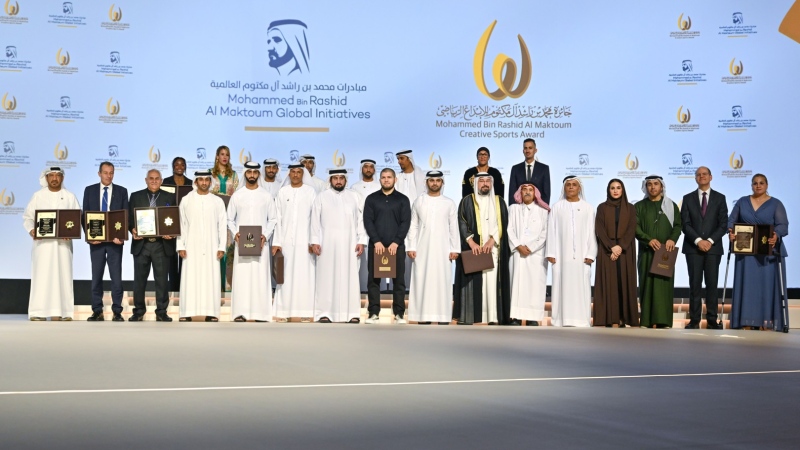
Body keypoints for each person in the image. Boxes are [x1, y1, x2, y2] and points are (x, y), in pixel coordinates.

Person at [727, 174, 789, 331]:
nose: (758, 186)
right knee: (746, 287)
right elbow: (731, 221)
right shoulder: (742, 201)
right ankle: (745, 321)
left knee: (765, 287)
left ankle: (764, 322)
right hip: (745, 253)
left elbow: (783, 225)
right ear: (751, 185)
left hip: (767, 253)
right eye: (755, 183)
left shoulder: (775, 203)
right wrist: (731, 232)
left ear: (767, 185)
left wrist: (776, 235)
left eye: (761, 183)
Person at [309, 169, 367, 323]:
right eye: (335, 178)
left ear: (346, 180)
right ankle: (324, 313)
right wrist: (314, 241)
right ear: (330, 180)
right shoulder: (321, 197)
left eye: (342, 178)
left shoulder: (355, 197)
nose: (339, 181)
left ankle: (352, 314)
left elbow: (360, 221)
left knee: (350, 278)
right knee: (326, 278)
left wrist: (361, 240)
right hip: (327, 245)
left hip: (350, 245)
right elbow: (314, 221)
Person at [23, 167, 81, 321]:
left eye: (58, 175)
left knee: (63, 276)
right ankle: (37, 312)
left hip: (63, 246)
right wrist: (32, 231)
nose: (55, 178)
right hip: (43, 246)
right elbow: (28, 218)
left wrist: (72, 232)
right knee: (41, 277)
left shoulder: (69, 196)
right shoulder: (38, 196)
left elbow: (77, 218)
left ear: (62, 178)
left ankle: (64, 312)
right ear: (46, 178)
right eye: (51, 176)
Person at [453, 174, 511, 325]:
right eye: (482, 181)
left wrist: (492, 240)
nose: (485, 184)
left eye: (487, 181)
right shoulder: (467, 201)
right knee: (475, 283)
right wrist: (471, 242)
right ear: (476, 184)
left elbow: (503, 223)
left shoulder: (499, 202)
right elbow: (462, 222)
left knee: (492, 283)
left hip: (493, 250)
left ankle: (492, 317)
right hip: (475, 250)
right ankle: (474, 316)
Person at [405, 171, 461, 324]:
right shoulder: (418, 202)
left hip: (443, 251)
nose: (435, 183)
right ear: (426, 182)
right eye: (432, 180)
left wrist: (454, 249)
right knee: (422, 281)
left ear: (442, 183)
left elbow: (453, 228)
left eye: (438, 180)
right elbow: (413, 226)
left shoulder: (449, 203)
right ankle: (422, 316)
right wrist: (411, 246)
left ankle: (442, 316)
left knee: (442, 282)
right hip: (421, 250)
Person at [227, 162, 278, 322]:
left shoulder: (266, 196)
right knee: (242, 278)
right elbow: (229, 219)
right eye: (249, 172)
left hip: (261, 245)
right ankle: (240, 313)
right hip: (241, 244)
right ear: (245, 174)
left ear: (258, 175)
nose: (252, 175)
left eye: (255, 172)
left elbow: (273, 219)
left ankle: (260, 314)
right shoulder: (237, 195)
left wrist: (265, 235)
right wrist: (235, 234)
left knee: (260, 277)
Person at [177, 170, 228, 322]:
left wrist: (221, 247)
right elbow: (182, 225)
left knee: (211, 279)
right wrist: (181, 245)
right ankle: (187, 312)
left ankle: (211, 312)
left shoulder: (217, 201)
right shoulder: (186, 200)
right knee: (190, 279)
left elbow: (222, 225)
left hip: (212, 247)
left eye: (207, 180)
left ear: (210, 182)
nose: (204, 182)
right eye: (201, 180)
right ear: (196, 182)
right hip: (191, 247)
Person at [546, 176, 597, 327]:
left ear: (579, 188)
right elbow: (551, 231)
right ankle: (561, 320)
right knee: (561, 287)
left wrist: (590, 253)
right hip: (561, 257)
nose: (571, 187)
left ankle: (581, 320)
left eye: (574, 185)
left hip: (582, 257)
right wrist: (551, 253)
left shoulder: (588, 207)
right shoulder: (557, 207)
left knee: (581, 287)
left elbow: (592, 232)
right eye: (568, 185)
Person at [681, 167, 728, 329]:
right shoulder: (687, 198)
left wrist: (708, 240)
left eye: (704, 174)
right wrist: (698, 240)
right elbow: (685, 225)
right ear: (695, 178)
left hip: (713, 248)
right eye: (698, 175)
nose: (701, 177)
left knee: (712, 285)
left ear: (711, 177)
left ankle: (712, 320)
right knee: (694, 285)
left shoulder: (720, 198)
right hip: (693, 248)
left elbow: (723, 225)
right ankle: (694, 320)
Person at [363, 168, 411, 324]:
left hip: (396, 247)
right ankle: (373, 313)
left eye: (389, 177)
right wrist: (376, 240)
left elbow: (405, 222)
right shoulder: (371, 199)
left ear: (395, 179)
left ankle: (399, 313)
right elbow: (368, 221)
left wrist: (396, 242)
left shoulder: (403, 200)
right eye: (383, 177)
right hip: (376, 246)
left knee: (399, 280)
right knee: (374, 280)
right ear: (380, 180)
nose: (386, 180)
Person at [82, 162, 129, 322]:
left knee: (116, 278)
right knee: (96, 277)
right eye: (105, 173)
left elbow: (125, 216)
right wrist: (90, 237)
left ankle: (117, 311)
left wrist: (121, 236)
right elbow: (85, 216)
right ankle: (97, 311)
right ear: (99, 173)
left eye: (111, 173)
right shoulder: (89, 190)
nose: (108, 176)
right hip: (96, 242)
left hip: (115, 242)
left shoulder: (122, 191)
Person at [128, 169, 176, 322]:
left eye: (157, 178)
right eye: (151, 178)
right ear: (145, 180)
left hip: (161, 244)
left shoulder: (170, 197)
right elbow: (129, 219)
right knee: (139, 281)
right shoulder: (136, 196)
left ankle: (161, 311)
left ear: (161, 181)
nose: (154, 181)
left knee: (162, 281)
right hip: (142, 244)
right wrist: (132, 229)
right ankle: (139, 311)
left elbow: (174, 219)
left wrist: (172, 232)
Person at [635, 175, 682, 329]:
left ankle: (663, 320)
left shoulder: (671, 206)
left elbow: (677, 226)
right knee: (646, 284)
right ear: (645, 187)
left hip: (665, 253)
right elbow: (635, 228)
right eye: (649, 184)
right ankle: (647, 320)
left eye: (656, 184)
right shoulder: (639, 206)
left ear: (662, 187)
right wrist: (648, 239)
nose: (653, 187)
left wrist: (671, 240)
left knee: (664, 286)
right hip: (646, 252)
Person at [272, 164, 317, 322]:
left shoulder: (310, 192)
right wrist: (277, 242)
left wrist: (313, 241)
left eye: (299, 172)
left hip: (306, 243)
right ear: (289, 174)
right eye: (293, 172)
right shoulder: (283, 192)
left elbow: (315, 219)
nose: (296, 175)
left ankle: (306, 312)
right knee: (285, 277)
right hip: (286, 242)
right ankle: (283, 313)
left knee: (306, 277)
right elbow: (277, 218)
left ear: (303, 174)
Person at [593, 179, 639, 328]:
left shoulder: (631, 208)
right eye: (612, 188)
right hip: (607, 251)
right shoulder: (601, 208)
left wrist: (620, 247)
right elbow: (599, 229)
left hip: (625, 251)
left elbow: (631, 229)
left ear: (623, 190)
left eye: (618, 188)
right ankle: (609, 318)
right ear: (608, 190)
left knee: (624, 282)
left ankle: (625, 318)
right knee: (609, 283)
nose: (615, 190)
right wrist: (612, 247)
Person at [507, 183, 549, 326]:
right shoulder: (513, 209)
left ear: (535, 193)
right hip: (517, 254)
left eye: (531, 190)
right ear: (520, 192)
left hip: (535, 255)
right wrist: (518, 246)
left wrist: (530, 248)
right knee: (517, 285)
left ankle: (532, 318)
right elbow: (509, 229)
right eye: (524, 189)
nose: (527, 192)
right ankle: (516, 317)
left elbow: (544, 234)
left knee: (534, 287)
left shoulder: (543, 211)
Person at [350, 159, 384, 292]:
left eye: (371, 167)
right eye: (366, 167)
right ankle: (360, 289)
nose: (368, 169)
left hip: (377, 227)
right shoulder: (354, 187)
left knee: (377, 260)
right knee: (360, 258)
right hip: (358, 226)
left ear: (374, 170)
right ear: (361, 169)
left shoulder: (379, 185)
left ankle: (378, 290)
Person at [210, 145, 238, 292]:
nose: (224, 157)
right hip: (212, 219)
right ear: (217, 156)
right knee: (213, 250)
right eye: (222, 154)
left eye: (227, 154)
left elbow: (237, 198)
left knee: (227, 251)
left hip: (228, 219)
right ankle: (213, 287)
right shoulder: (209, 174)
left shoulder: (234, 175)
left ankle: (227, 287)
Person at [163, 156, 192, 291]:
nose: (179, 167)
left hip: (186, 224)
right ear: (173, 166)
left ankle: (184, 290)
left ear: (185, 167)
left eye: (182, 165)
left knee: (185, 259)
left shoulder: (192, 184)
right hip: (170, 223)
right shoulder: (166, 182)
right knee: (171, 259)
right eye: (177, 164)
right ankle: (173, 290)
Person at [508, 138, 551, 205]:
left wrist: (543, 210)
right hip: (520, 209)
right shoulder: (515, 169)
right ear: (523, 151)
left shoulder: (544, 169)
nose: (527, 150)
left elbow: (546, 194)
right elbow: (512, 193)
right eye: (525, 148)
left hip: (538, 210)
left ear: (535, 150)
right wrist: (513, 209)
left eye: (530, 148)